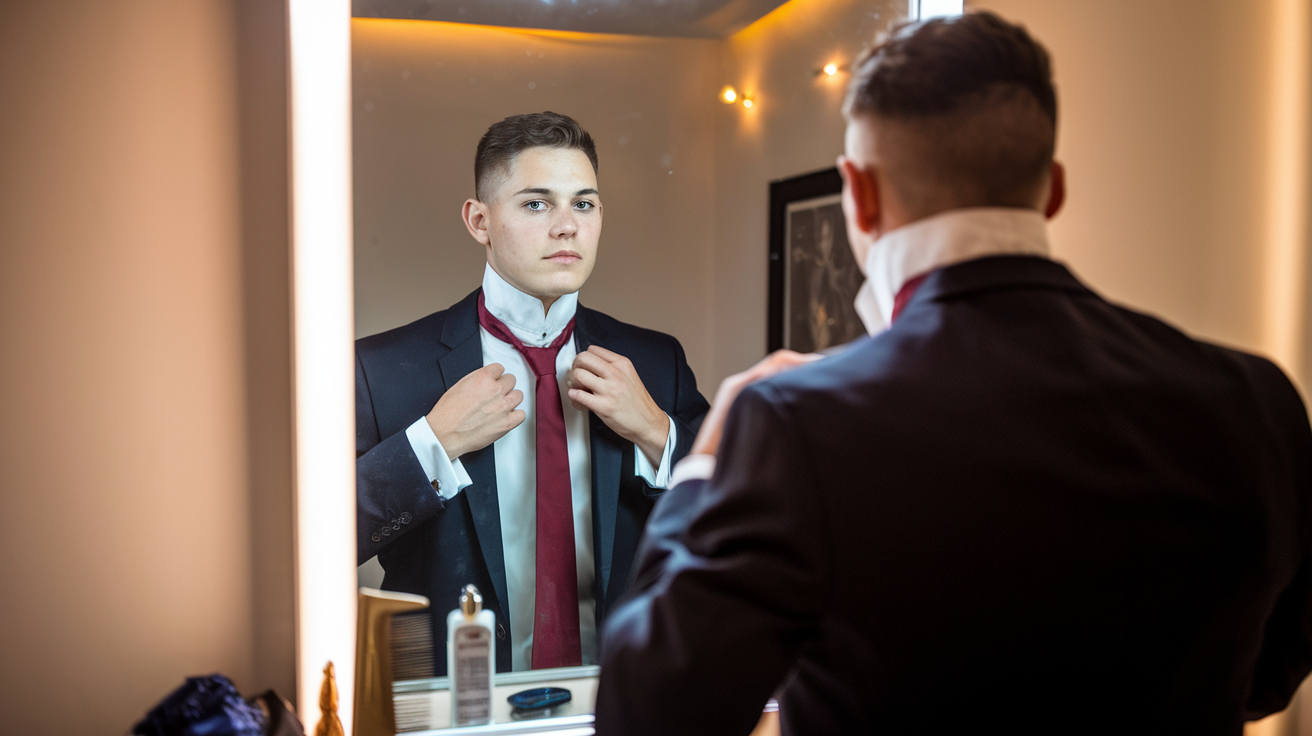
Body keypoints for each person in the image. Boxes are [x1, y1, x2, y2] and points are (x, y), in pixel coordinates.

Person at [596, 12, 1312, 735]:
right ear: (1052, 190)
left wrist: (702, 470)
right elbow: (1270, 675)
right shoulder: (1257, 401)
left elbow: (651, 714)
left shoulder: (799, 422)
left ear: (859, 195)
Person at [356, 111, 709, 674]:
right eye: (537, 203)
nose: (567, 226)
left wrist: (656, 432)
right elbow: (323, 544)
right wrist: (432, 444)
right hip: (453, 709)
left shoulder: (656, 362)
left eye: (584, 204)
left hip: (625, 702)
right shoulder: (381, 369)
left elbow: (736, 524)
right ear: (479, 221)